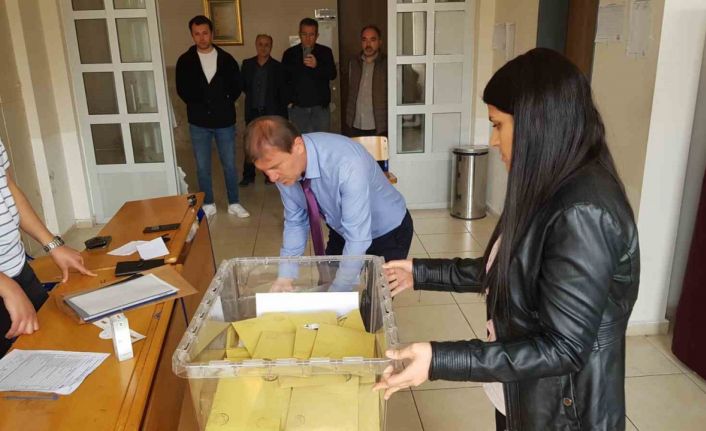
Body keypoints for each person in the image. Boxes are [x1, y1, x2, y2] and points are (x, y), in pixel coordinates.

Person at [374, 48, 640, 431]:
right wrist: (420, 272)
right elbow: (508, 269)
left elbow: (563, 347)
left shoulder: (583, 212)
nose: (493, 141)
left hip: (562, 413)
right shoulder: (545, 183)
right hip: (523, 391)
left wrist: (439, 359)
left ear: (537, 125)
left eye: (498, 125)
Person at [244, 116, 413, 290]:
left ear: (298, 146)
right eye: (265, 171)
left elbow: (358, 238)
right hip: (343, 229)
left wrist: (338, 292)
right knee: (327, 286)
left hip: (388, 231)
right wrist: (285, 276)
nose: (272, 178)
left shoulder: (346, 163)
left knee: (375, 296)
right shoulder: (284, 171)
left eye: (275, 167)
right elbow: (296, 222)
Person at [0, 139, 95, 356]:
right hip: (7, 286)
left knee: (59, 347)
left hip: (18, 269)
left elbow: (8, 188)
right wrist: (7, 287)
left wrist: (52, 244)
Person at [176, 15, 250, 218]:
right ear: (192, 35)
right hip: (198, 121)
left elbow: (236, 86)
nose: (201, 38)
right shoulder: (185, 61)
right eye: (197, 34)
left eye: (205, 33)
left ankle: (234, 202)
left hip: (224, 120)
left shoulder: (226, 59)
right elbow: (182, 89)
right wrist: (201, 101)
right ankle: (208, 203)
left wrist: (222, 100)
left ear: (211, 34)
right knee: (202, 166)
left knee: (229, 164)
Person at [239, 34, 288, 186]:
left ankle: (269, 175)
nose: (263, 47)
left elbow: (281, 92)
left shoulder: (278, 67)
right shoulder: (247, 64)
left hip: (270, 112)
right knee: (250, 144)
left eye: (267, 44)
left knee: (270, 145)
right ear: (256, 45)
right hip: (253, 111)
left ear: (271, 47)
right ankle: (248, 175)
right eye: (260, 44)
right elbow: (244, 86)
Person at [281, 18, 337, 133]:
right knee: (301, 141)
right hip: (298, 109)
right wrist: (289, 102)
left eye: (311, 34)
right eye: (304, 34)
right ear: (299, 34)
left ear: (317, 36)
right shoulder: (289, 54)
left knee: (321, 140)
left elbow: (332, 75)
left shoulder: (325, 52)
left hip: (320, 108)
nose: (307, 38)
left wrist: (317, 66)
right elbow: (283, 80)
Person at [346, 25, 387, 137]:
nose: (368, 44)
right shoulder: (353, 62)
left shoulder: (386, 64)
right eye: (364, 40)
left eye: (372, 40)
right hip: (355, 123)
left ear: (380, 42)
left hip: (378, 125)